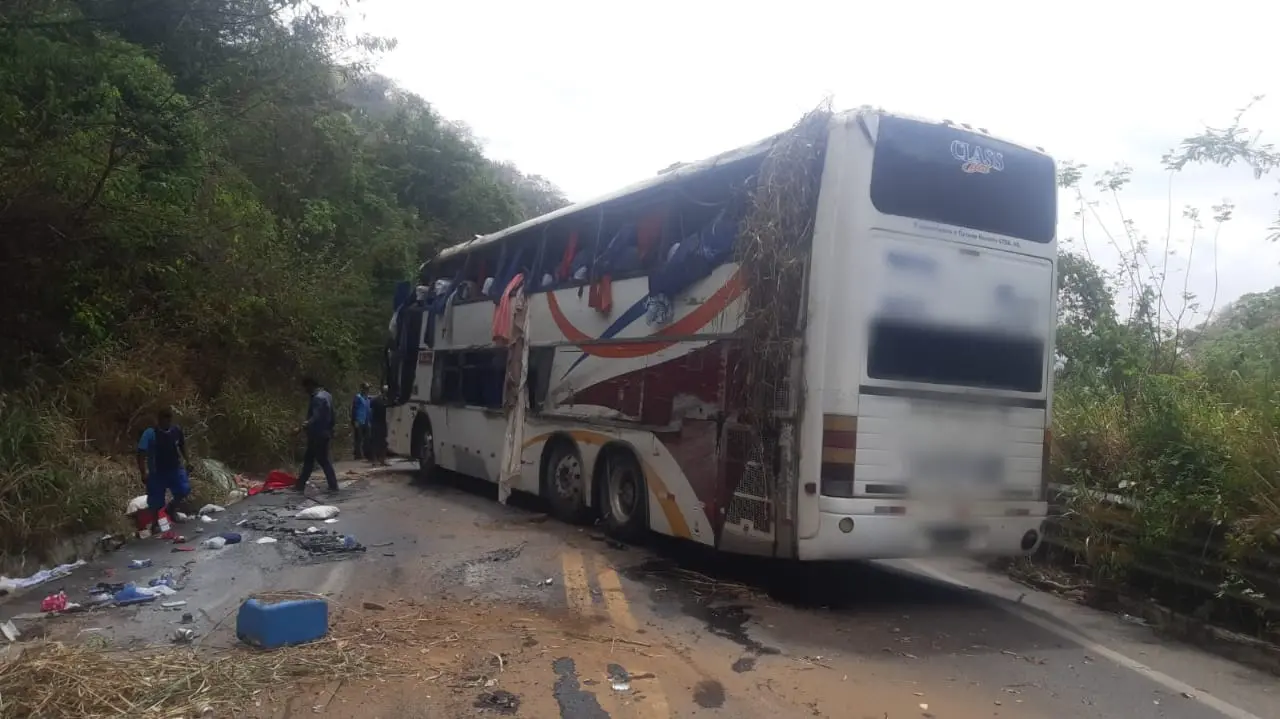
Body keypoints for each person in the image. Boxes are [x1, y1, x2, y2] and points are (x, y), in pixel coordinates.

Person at [136, 408, 192, 532]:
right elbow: (141, 453)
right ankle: (155, 523)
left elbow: (182, 445)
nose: (167, 422)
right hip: (157, 472)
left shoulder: (176, 430)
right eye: (164, 419)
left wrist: (188, 461)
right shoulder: (150, 433)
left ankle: (171, 509)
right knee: (156, 500)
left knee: (183, 489)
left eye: (169, 419)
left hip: (174, 468)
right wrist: (143, 472)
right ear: (159, 419)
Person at [297, 377, 339, 493]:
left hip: (317, 434)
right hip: (325, 432)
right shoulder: (327, 395)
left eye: (306, 388)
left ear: (310, 385)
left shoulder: (318, 398)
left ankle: (332, 485)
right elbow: (332, 415)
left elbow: (315, 417)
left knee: (318, 460)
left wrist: (303, 426)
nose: (305, 390)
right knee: (313, 459)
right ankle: (300, 485)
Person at [367, 386, 389, 466]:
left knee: (384, 442)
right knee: (375, 442)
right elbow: (370, 409)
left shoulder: (387, 400)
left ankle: (382, 459)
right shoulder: (377, 400)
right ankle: (374, 460)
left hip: (383, 423)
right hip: (376, 423)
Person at [350, 383, 371, 460]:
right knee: (358, 438)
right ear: (362, 389)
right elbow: (354, 409)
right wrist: (354, 420)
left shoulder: (368, 398)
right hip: (359, 420)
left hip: (366, 421)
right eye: (365, 388)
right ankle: (358, 455)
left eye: (367, 389)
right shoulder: (358, 397)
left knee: (367, 438)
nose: (367, 390)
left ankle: (366, 454)